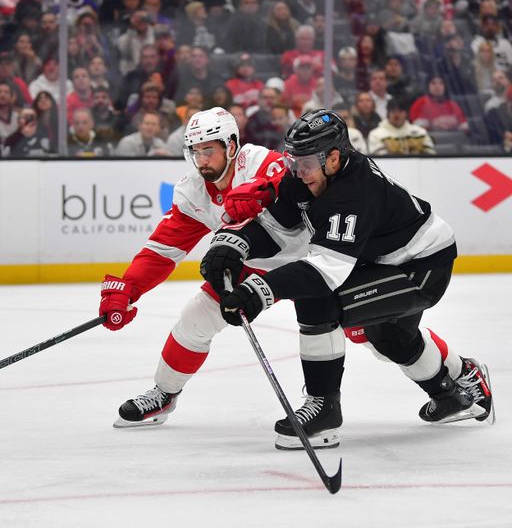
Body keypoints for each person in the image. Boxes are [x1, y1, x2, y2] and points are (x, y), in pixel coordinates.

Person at [200, 109, 494, 449]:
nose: (297, 171)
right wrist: (234, 244)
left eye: (305, 163)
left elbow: (326, 271)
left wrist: (260, 291)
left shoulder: (355, 191)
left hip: (423, 267)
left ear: (334, 157)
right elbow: (278, 226)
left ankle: (324, 409)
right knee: (391, 337)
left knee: (320, 300)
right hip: (388, 260)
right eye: (293, 161)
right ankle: (454, 392)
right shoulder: (310, 173)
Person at [100, 107, 298, 428]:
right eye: (196, 152)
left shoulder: (258, 161)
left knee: (360, 328)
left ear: (231, 147)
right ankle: (164, 394)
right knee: (195, 318)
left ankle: (413, 380)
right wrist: (129, 289)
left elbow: (294, 177)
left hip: (309, 258)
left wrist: (268, 187)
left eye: (209, 150)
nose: (202, 160)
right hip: (251, 267)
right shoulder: (193, 191)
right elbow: (162, 251)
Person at [368, 98, 436, 155]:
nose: (397, 115)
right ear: (388, 113)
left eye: (400, 111)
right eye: (393, 111)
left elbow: (431, 155)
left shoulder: (420, 132)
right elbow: (381, 160)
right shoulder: (376, 134)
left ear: (406, 113)